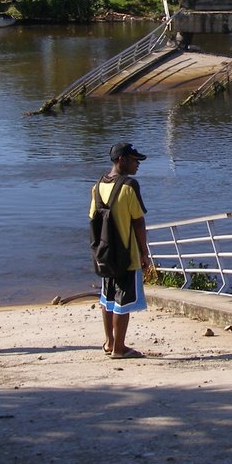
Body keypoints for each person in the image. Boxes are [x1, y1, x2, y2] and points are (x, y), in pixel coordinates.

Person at [90, 142, 152, 359]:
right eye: (135, 160)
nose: (138, 165)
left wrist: (97, 252)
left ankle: (109, 343)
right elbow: (138, 222)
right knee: (122, 302)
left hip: (105, 254)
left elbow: (93, 220)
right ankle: (120, 348)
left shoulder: (97, 186)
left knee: (107, 299)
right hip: (127, 254)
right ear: (122, 160)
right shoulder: (129, 186)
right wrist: (144, 253)